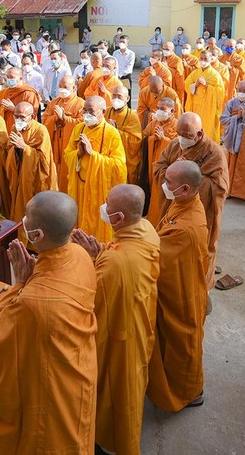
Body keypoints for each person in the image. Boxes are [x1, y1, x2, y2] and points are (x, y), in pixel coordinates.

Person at [0, 191, 97, 455]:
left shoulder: (33, 302)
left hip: (51, 393)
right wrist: (33, 279)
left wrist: (19, 284)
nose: (24, 221)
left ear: (38, 236)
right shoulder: (80, 254)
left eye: (27, 218)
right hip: (82, 370)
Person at [71, 185, 159, 455]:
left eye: (107, 204)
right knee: (131, 386)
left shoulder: (116, 263)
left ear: (119, 218)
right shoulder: (146, 230)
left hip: (119, 337)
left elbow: (89, 301)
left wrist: (92, 261)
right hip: (139, 325)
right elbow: (119, 259)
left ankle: (113, 443)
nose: (103, 207)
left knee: (117, 395)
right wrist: (102, 253)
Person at [147, 161, 209, 411]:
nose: (164, 185)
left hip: (182, 293)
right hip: (180, 282)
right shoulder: (185, 203)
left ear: (185, 188)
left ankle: (190, 392)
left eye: (169, 182)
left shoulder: (186, 227)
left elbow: (155, 254)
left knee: (182, 343)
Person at [153, 112, 229, 284]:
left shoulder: (214, 153)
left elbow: (220, 187)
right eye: (179, 134)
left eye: (186, 136)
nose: (181, 140)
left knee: (202, 247)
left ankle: (202, 286)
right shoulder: (174, 145)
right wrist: (173, 170)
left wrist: (190, 177)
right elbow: (159, 168)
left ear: (199, 134)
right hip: (171, 207)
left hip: (199, 211)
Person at [63, 96, 126, 243]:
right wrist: (78, 154)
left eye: (91, 111)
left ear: (103, 111)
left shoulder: (111, 133)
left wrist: (93, 154)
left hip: (99, 190)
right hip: (80, 188)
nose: (86, 114)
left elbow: (119, 167)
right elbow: (67, 155)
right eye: (84, 110)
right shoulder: (79, 128)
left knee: (98, 230)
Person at [5, 102, 57, 225]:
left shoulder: (40, 130)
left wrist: (25, 147)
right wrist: (15, 149)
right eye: (16, 116)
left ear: (32, 116)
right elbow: (9, 149)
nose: (18, 120)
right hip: (19, 178)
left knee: (35, 213)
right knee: (19, 209)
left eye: (22, 117)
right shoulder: (14, 128)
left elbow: (45, 160)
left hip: (35, 180)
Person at [43, 76, 84, 192]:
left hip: (70, 144)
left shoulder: (80, 104)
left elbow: (82, 124)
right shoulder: (54, 102)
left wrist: (65, 118)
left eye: (65, 87)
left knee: (68, 172)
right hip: (55, 143)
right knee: (54, 171)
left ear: (74, 88)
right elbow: (45, 120)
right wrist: (55, 118)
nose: (62, 90)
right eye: (60, 87)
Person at [143, 97, 178, 219]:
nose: (158, 111)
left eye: (162, 109)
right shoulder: (153, 124)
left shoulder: (177, 125)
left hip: (167, 170)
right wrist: (152, 139)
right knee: (154, 196)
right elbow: (144, 139)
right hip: (152, 167)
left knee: (164, 197)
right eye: (157, 108)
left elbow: (179, 147)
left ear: (172, 111)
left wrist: (164, 139)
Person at [183, 50, 224, 143]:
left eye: (206, 59)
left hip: (209, 108)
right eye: (201, 58)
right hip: (196, 106)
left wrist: (207, 86)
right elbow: (186, 84)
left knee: (207, 129)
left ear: (210, 59)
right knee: (195, 128)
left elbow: (220, 91)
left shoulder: (215, 75)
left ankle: (208, 148)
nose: (203, 61)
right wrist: (196, 84)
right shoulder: (195, 73)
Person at [106, 85, 143, 185]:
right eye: (114, 96)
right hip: (107, 158)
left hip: (124, 160)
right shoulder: (106, 111)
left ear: (127, 99)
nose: (116, 99)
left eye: (119, 96)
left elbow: (136, 141)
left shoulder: (132, 116)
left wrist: (116, 132)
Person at [0, 66, 41, 132]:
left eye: (12, 77)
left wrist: (13, 109)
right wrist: (1, 108)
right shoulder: (4, 92)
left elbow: (32, 115)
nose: (9, 79)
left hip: (23, 129)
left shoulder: (28, 93)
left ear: (20, 78)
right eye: (7, 77)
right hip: (6, 127)